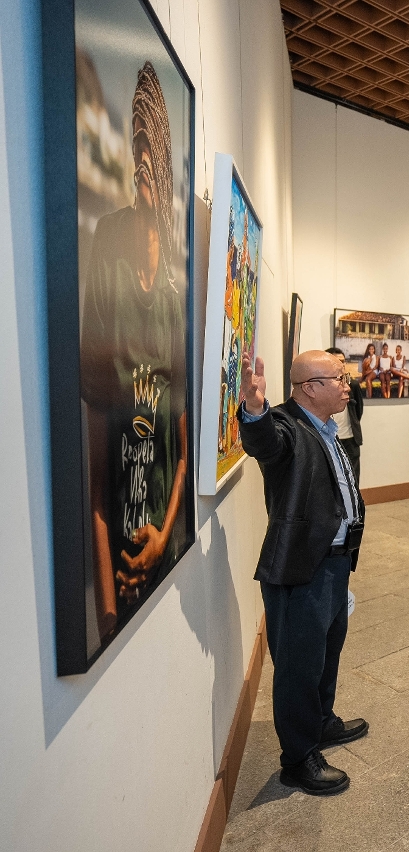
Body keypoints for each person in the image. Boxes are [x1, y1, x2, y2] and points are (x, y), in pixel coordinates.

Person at [79, 60, 192, 637]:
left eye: (154, 148)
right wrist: (105, 615)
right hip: (118, 560)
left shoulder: (174, 297)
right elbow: (97, 484)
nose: (144, 161)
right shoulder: (109, 255)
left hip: (165, 551)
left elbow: (184, 455)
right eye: (138, 145)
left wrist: (165, 536)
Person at [238, 350, 369, 796]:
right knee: (298, 666)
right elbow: (264, 444)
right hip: (302, 567)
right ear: (310, 388)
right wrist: (254, 409)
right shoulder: (285, 425)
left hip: (334, 562)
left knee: (327, 651)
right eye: (339, 378)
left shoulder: (328, 428)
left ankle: (321, 722)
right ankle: (298, 758)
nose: (347, 385)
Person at [325, 347, 364, 485]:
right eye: (336, 361)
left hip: (350, 440)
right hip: (330, 440)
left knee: (353, 480)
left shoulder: (353, 385)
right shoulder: (321, 387)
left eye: (343, 361)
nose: (341, 365)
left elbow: (358, 410)